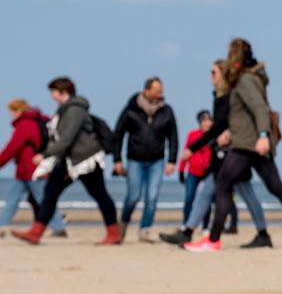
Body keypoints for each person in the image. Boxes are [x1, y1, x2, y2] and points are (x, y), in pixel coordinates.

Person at [187, 38, 282, 252]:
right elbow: (241, 114)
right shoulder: (251, 78)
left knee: (223, 185)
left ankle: (213, 240)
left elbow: (258, 108)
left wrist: (263, 135)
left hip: (248, 144)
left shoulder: (245, 80)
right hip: (250, 142)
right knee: (278, 189)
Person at [161, 61, 264, 246]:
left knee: (248, 194)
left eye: (214, 73)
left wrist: (195, 147)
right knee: (204, 191)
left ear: (223, 75)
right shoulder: (220, 96)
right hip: (221, 157)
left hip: (235, 154)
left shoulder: (232, 95)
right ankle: (188, 231)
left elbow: (231, 124)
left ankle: (261, 233)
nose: (211, 76)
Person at [11, 77, 121, 245]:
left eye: (53, 92)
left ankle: (113, 233)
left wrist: (44, 154)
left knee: (99, 194)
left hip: (86, 159)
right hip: (69, 160)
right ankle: (36, 232)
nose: (51, 96)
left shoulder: (75, 110)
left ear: (63, 91)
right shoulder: (64, 109)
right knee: (51, 192)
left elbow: (66, 139)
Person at [111, 76, 179, 242]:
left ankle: (145, 230)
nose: (160, 94)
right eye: (156, 91)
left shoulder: (166, 111)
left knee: (152, 197)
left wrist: (171, 160)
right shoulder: (131, 109)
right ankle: (124, 223)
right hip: (135, 159)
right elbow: (118, 135)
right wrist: (117, 159)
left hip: (157, 160)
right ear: (146, 91)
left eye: (161, 91)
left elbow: (173, 137)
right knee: (133, 196)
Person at [1, 99, 66, 236]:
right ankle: (2, 225)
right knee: (14, 199)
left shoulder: (25, 124)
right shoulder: (37, 121)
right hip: (25, 171)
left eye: (12, 111)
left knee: (43, 199)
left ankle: (59, 227)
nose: (11, 114)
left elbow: (11, 148)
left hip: (33, 171)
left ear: (19, 110)